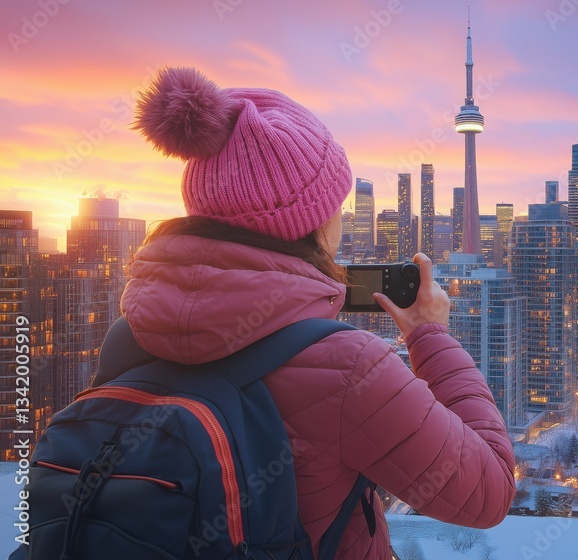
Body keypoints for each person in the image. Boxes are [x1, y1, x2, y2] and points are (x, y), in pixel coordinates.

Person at [112, 66, 516, 558]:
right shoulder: (347, 368)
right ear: (310, 221)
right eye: (336, 204)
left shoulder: (127, 338)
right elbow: (489, 490)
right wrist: (431, 336)